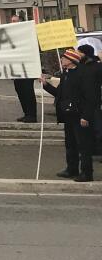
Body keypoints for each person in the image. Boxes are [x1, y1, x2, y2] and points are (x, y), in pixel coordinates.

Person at [42, 48, 97, 182]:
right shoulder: (66, 74)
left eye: (65, 58)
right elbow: (59, 94)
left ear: (71, 60)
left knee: (83, 145)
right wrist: (45, 85)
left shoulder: (84, 74)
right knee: (70, 143)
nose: (62, 59)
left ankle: (86, 173)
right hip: (68, 115)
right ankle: (72, 169)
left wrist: (86, 116)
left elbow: (91, 97)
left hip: (80, 115)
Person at [9, 15, 38, 122]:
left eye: (15, 21)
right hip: (17, 69)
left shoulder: (27, 34)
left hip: (27, 69)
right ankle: (26, 113)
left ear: (21, 22)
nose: (13, 23)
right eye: (12, 21)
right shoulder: (12, 34)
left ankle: (32, 115)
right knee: (20, 91)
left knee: (28, 92)